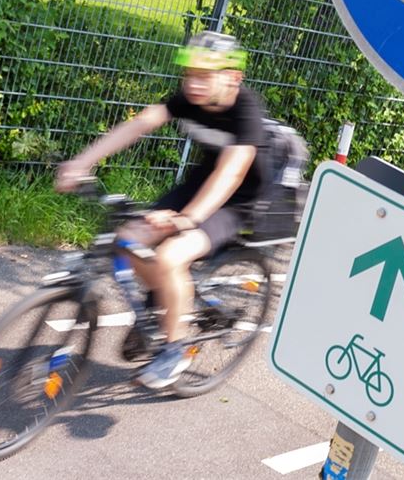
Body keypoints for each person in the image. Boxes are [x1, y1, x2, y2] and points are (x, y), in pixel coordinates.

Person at [55, 31, 269, 389]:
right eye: (189, 75)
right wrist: (82, 162)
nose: (193, 84)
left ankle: (175, 349)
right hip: (201, 185)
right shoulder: (190, 98)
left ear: (233, 77)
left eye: (204, 75)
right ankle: (167, 306)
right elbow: (140, 123)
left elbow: (231, 173)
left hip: (238, 200)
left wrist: (187, 219)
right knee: (126, 239)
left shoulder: (247, 112)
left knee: (170, 256)